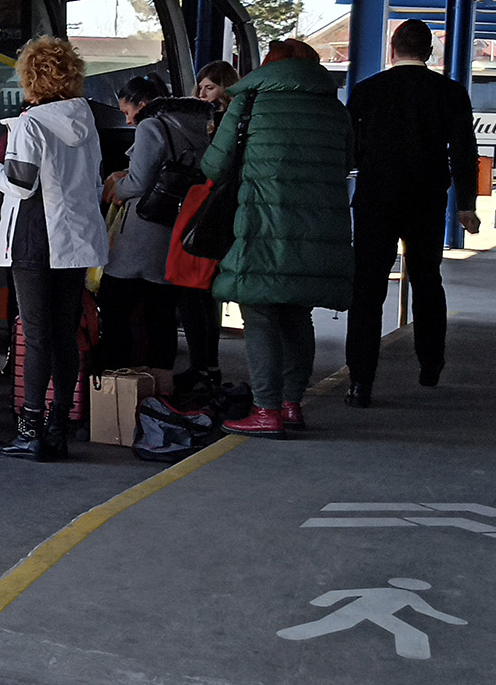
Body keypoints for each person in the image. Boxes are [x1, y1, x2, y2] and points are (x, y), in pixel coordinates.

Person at [206, 38, 353, 438]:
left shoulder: (249, 103)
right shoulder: (335, 109)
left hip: (261, 224)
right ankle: (291, 405)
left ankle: (266, 409)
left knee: (261, 313)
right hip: (317, 230)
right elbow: (347, 163)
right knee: (297, 314)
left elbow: (215, 165)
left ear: (269, 67)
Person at [344, 19, 480, 406]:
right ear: (429, 53)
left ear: (392, 49)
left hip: (375, 199)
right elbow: (464, 151)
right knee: (426, 280)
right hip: (426, 199)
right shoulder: (449, 92)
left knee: (368, 288)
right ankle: (430, 365)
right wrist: (466, 205)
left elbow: (350, 150)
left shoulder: (366, 91)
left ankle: (360, 381)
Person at [0, 37, 108, 461]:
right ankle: (57, 426)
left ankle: (28, 429)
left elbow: (20, 184)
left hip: (35, 237)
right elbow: (94, 183)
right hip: (75, 239)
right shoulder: (85, 119)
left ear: (30, 77)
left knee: (34, 334)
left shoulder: (29, 123)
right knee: (63, 334)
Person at [99, 74, 211, 372]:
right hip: (174, 230)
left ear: (144, 105)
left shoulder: (151, 126)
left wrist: (115, 188)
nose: (128, 121)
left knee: (113, 306)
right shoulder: (197, 125)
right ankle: (161, 387)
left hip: (142, 233)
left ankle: (117, 381)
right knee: (161, 317)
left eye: (127, 112)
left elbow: (138, 183)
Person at [175, 59, 241, 394]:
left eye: (210, 87)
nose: (202, 94)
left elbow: (212, 166)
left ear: (226, 89)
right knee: (201, 293)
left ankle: (204, 366)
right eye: (200, 87)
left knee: (195, 289)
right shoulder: (216, 119)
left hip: (212, 213)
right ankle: (205, 364)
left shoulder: (225, 123)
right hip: (212, 211)